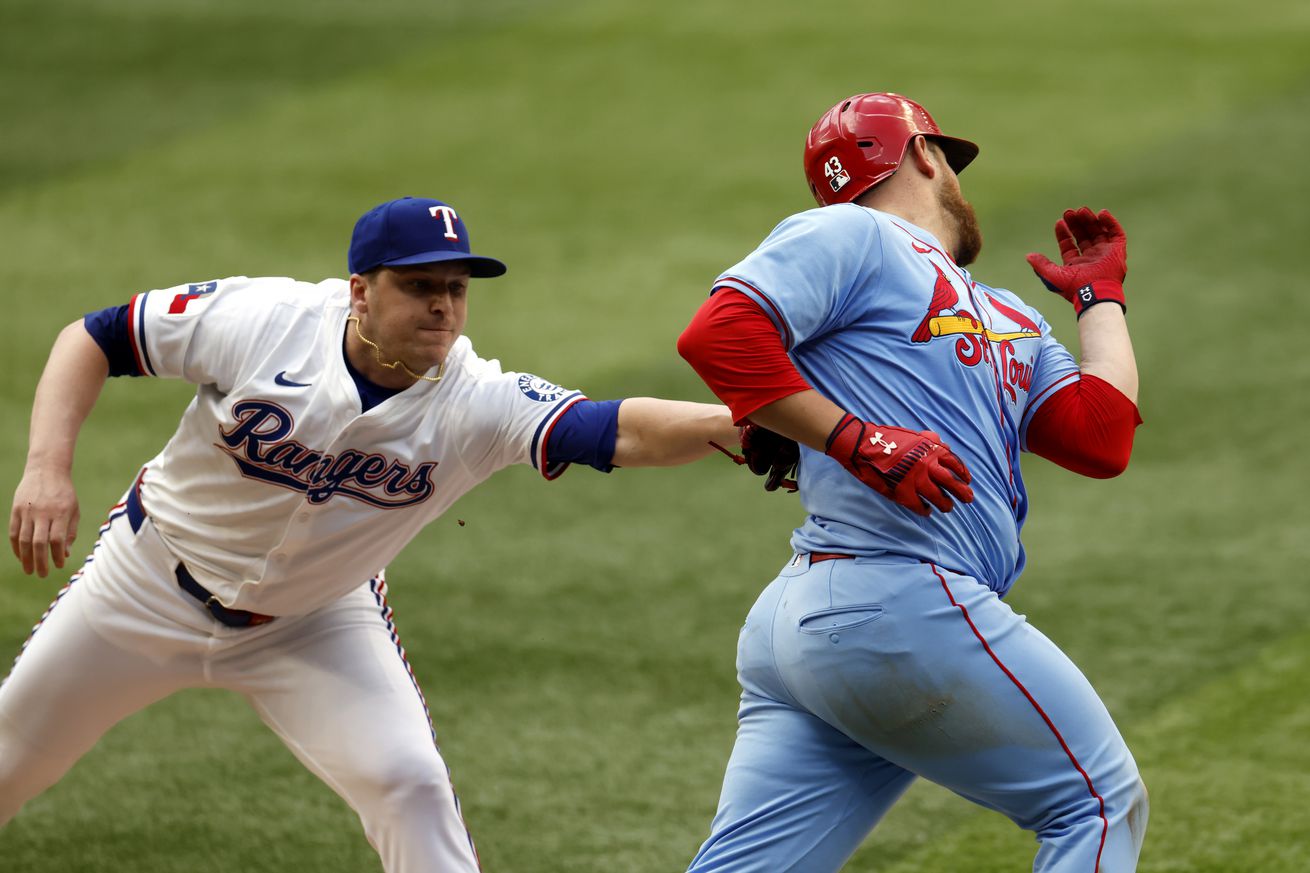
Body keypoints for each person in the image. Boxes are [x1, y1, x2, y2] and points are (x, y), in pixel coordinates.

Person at [2, 195, 739, 872]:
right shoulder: (264, 320)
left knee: (409, 783)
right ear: (361, 289)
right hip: (145, 584)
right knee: (11, 759)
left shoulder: (474, 399)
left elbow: (616, 430)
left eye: (455, 288)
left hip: (313, 622)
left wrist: (742, 424)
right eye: (420, 286)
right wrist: (46, 468)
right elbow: (95, 337)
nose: (443, 306)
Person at [677, 93, 1149, 872]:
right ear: (923, 154)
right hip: (899, 605)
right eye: (950, 164)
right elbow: (720, 331)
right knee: (1097, 803)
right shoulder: (850, 232)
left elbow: (1101, 439)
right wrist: (853, 436)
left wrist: (1099, 304)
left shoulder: (1006, 314)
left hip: (811, 622)